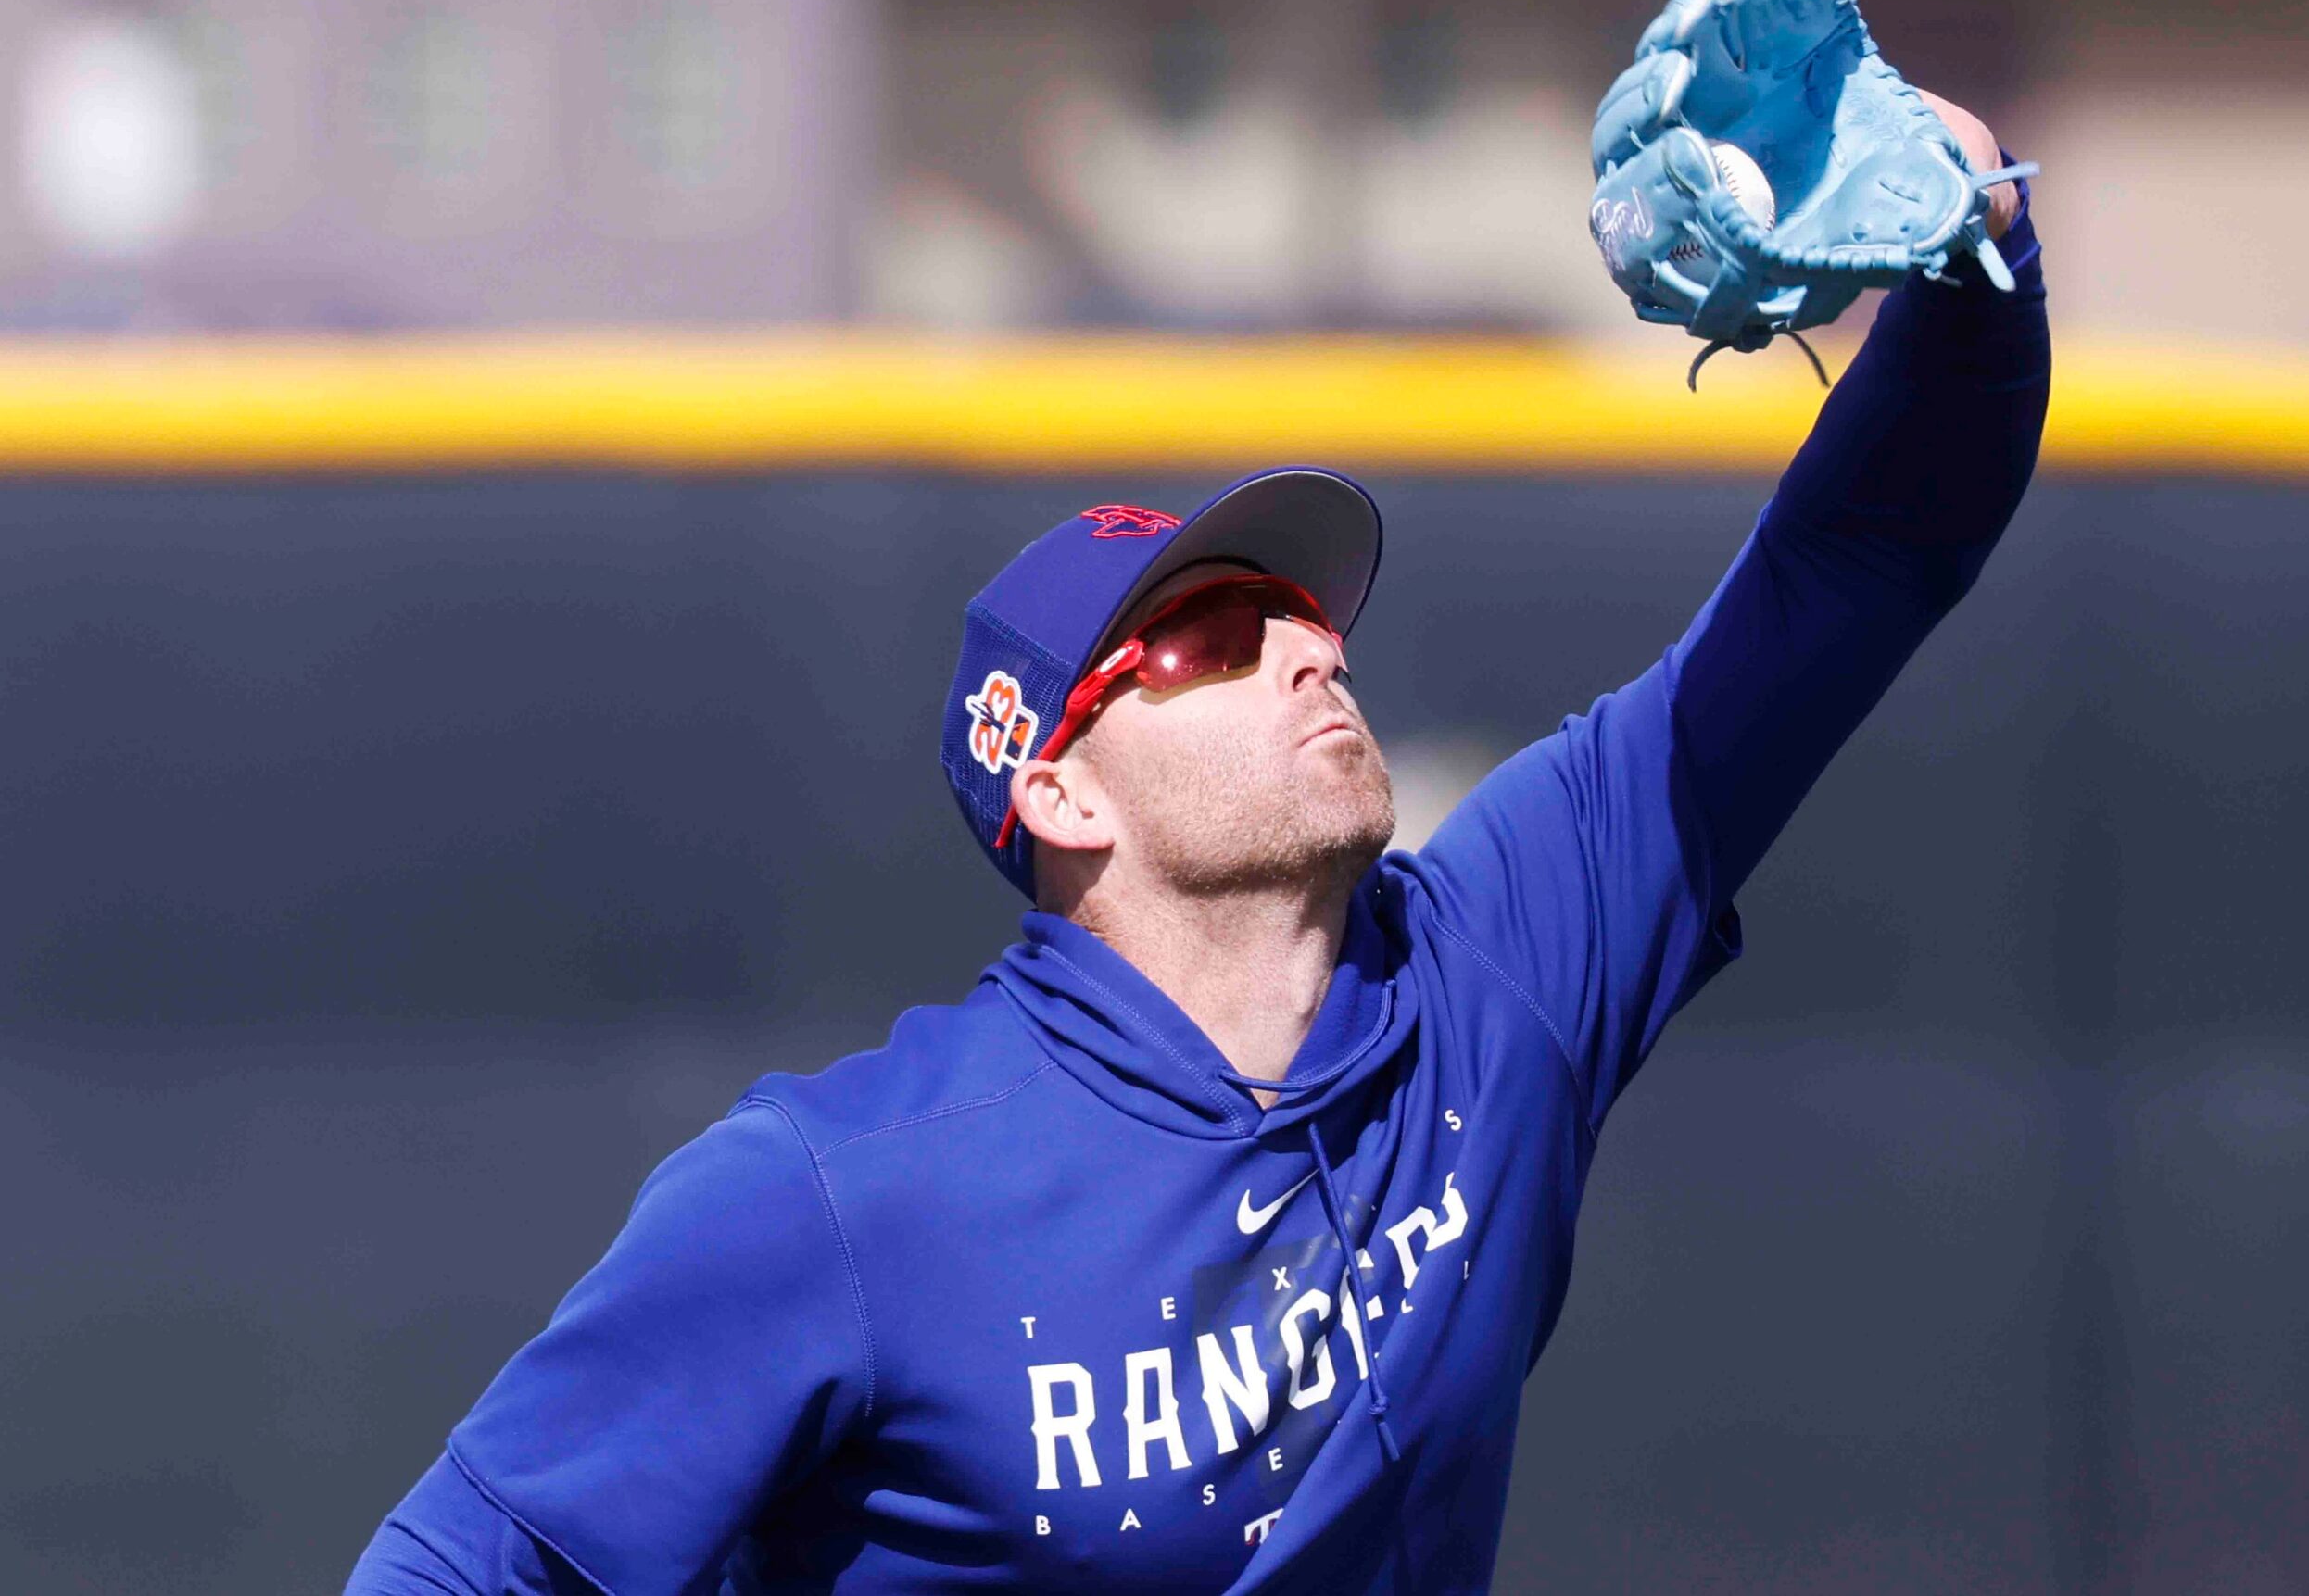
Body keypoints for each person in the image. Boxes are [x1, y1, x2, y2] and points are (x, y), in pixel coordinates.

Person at [343, 94, 2045, 1595]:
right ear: (1063, 791)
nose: (1309, 646)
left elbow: (1860, 570)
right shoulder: (846, 1194)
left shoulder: (1497, 967)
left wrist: (1973, 242)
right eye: (1210, 637)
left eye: (1300, 613)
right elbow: (455, 1564)